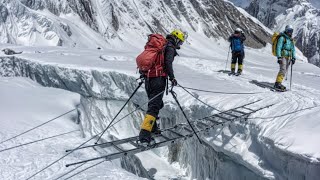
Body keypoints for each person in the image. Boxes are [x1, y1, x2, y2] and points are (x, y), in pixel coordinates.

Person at [139, 30, 186, 144]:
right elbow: (168, 63)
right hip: (158, 80)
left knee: (156, 104)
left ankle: (153, 129)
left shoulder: (162, 45)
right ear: (176, 39)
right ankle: (144, 135)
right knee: (154, 107)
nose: (179, 45)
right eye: (180, 42)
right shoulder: (169, 47)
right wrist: (172, 78)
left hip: (148, 79)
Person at [274, 25, 296, 91]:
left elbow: (293, 49)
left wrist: (293, 58)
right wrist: (279, 57)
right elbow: (278, 47)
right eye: (289, 31)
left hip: (288, 57)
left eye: (291, 31)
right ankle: (277, 83)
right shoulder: (282, 38)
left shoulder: (291, 40)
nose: (290, 32)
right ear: (286, 30)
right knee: (283, 69)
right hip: (283, 56)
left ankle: (279, 82)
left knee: (285, 70)